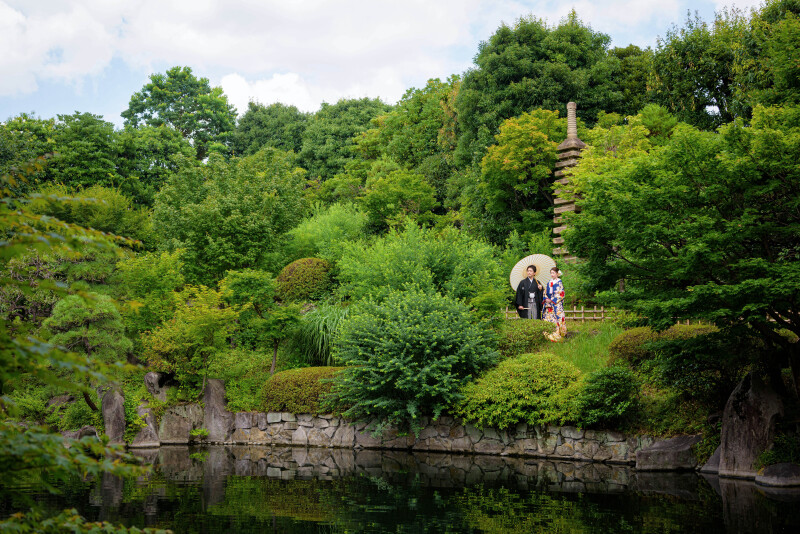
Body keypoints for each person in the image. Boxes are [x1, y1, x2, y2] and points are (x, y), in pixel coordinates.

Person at [543, 267, 567, 341]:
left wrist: (553, 300)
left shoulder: (559, 282)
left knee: (558, 318)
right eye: (551, 273)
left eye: (553, 273)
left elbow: (561, 293)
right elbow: (545, 292)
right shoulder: (548, 282)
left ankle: (559, 335)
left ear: (557, 273)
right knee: (549, 318)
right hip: (549, 304)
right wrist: (546, 299)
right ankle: (548, 336)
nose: (552, 274)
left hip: (556, 304)